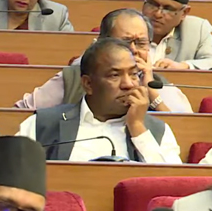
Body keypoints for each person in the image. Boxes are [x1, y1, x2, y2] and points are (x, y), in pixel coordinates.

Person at [16, 38, 182, 163]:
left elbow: (169, 186)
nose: (128, 84)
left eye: (133, 74)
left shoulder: (158, 131)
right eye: (115, 75)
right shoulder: (42, 124)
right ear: (88, 84)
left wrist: (138, 127)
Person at [14, 8, 192, 112]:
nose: (133, 50)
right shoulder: (74, 78)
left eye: (141, 43)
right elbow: (21, 114)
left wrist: (152, 93)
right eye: (124, 43)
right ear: (102, 43)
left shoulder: (160, 85)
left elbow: (183, 131)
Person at [140, 0, 212, 70]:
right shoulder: (128, 25)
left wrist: (184, 66)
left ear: (184, 13)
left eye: (168, 9)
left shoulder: (196, 29)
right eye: (153, 4)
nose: (158, 14)